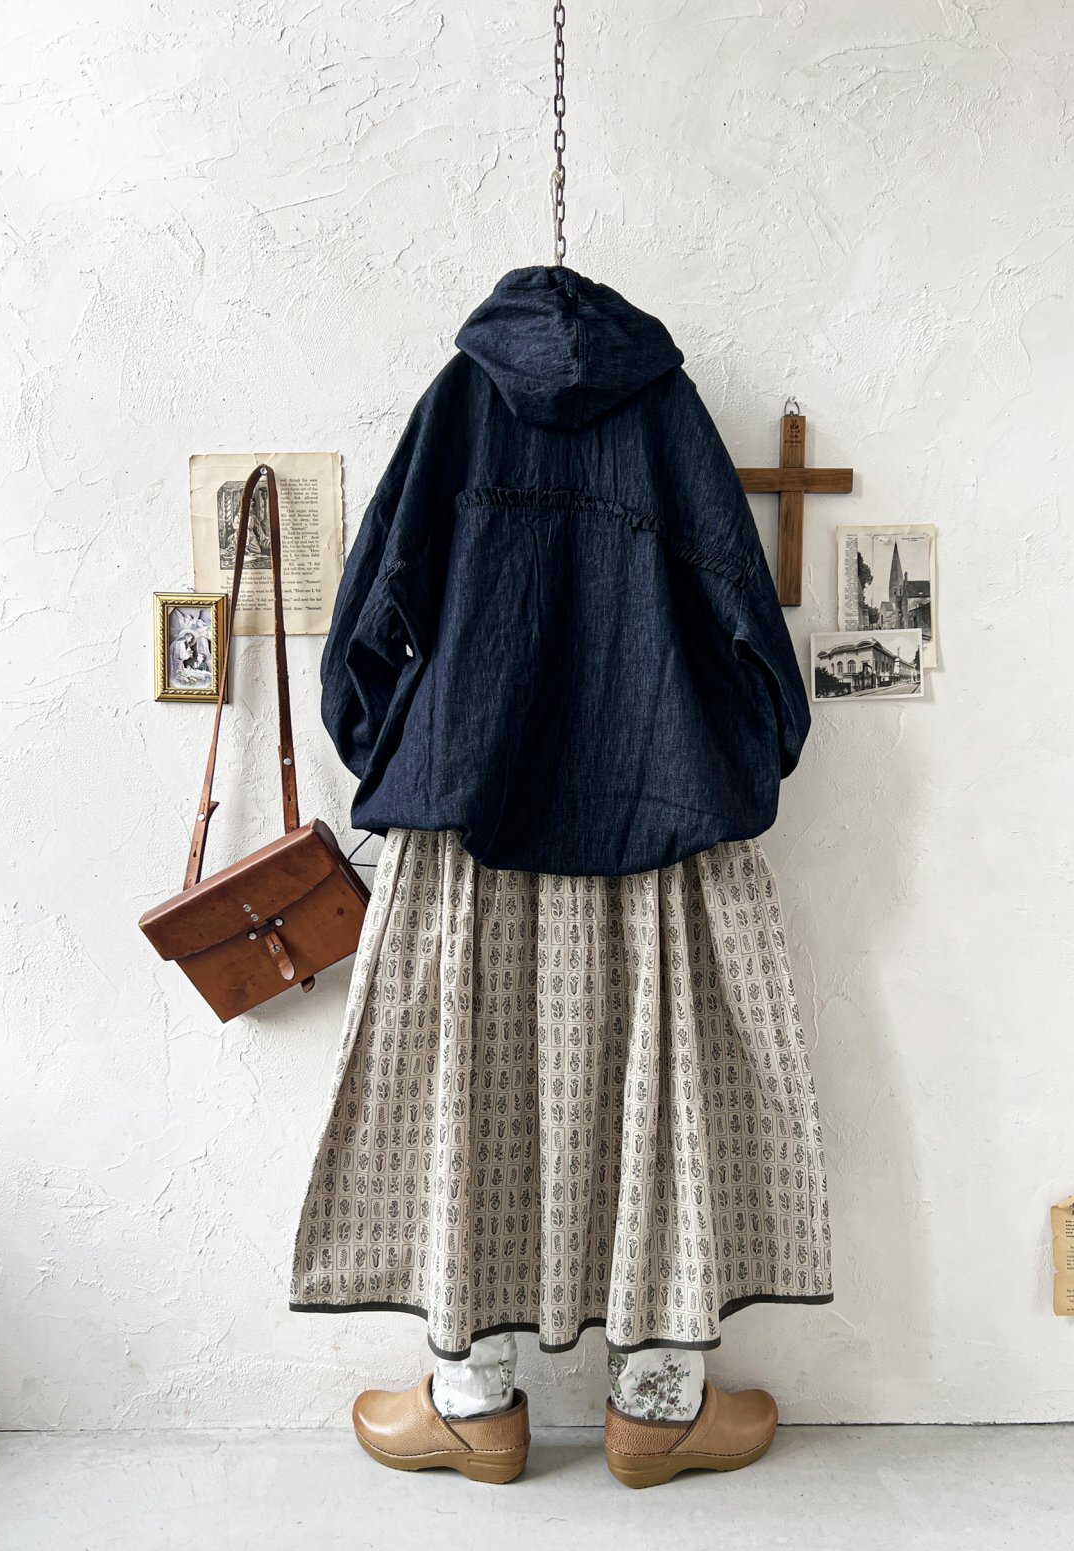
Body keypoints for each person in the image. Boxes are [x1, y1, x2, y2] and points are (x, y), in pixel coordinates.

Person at [292, 267, 832, 1487]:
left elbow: (371, 615)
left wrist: (407, 754)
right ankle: (659, 1406)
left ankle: (472, 1404)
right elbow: (746, 616)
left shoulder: (460, 401)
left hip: (469, 822)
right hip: (657, 817)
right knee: (668, 1095)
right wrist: (739, 760)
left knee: (461, 1095)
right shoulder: (668, 411)